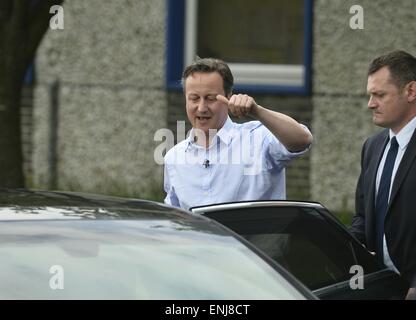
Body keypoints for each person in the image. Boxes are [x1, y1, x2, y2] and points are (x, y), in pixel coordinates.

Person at [163, 57, 312, 210]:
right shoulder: (173, 158)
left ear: (228, 96)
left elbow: (303, 140)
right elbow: (175, 221)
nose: (201, 108)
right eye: (194, 98)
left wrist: (257, 111)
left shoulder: (258, 139)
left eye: (211, 98)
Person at [350, 50, 416, 299]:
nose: (370, 103)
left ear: (411, 91)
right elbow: (362, 217)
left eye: (379, 95)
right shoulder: (372, 147)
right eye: (370, 95)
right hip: (379, 287)